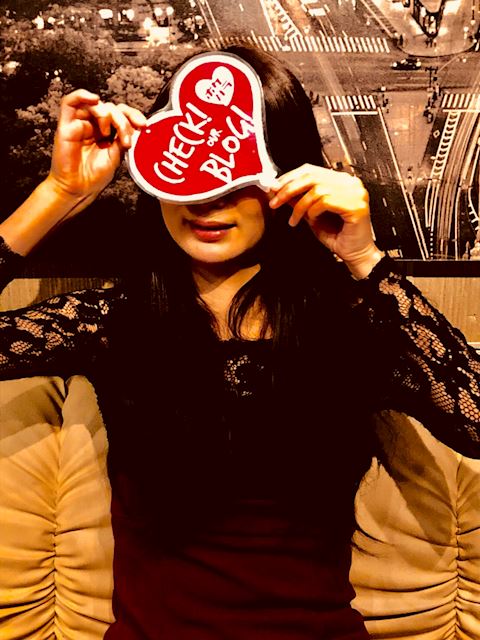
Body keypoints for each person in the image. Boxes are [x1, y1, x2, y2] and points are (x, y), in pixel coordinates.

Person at [1, 46, 479, 639]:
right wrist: (58, 192)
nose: (209, 199)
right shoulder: (116, 321)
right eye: (187, 164)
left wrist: (364, 258)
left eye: (236, 170)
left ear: (289, 176)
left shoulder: (349, 325)